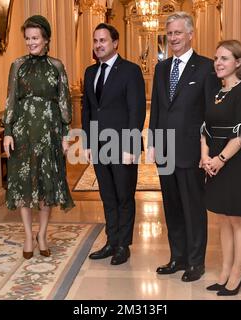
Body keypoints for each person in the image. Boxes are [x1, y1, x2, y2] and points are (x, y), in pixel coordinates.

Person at [148, 12, 220, 282]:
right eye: (170, 33)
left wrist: (207, 150)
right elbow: (156, 107)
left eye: (178, 33)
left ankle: (195, 262)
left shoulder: (206, 68)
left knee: (193, 208)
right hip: (165, 150)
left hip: (191, 151)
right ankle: (177, 257)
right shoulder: (161, 68)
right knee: (172, 207)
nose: (173, 38)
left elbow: (210, 114)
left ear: (191, 34)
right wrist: (152, 142)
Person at [2, 15, 74, 260]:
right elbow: (10, 100)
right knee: (24, 185)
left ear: (46, 40)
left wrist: (65, 135)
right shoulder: (17, 65)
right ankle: (27, 235)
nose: (31, 42)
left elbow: (64, 101)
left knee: (46, 186)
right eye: (28, 38)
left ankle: (42, 234)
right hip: (23, 133)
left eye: (35, 38)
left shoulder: (57, 66)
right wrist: (7, 133)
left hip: (50, 133)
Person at [82, 23, 146, 265]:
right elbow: (87, 109)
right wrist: (87, 143)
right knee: (107, 196)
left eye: (103, 40)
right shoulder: (90, 72)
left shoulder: (130, 71)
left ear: (115, 42)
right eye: (96, 40)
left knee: (124, 196)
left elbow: (136, 110)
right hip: (98, 145)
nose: (99, 44)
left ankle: (123, 246)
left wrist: (131, 146)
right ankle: (111, 241)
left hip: (123, 146)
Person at [200, 40, 241, 296]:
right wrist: (205, 157)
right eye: (216, 58)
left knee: (238, 219)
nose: (218, 63)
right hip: (214, 162)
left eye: (224, 58)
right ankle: (225, 271)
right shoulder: (216, 91)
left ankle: (238, 273)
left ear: (238, 62)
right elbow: (205, 128)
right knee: (223, 218)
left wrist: (220, 160)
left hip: (235, 164)